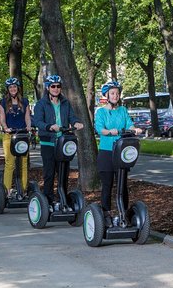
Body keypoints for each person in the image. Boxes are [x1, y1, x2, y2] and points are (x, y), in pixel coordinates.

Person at [94, 81, 142, 224]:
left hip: (121, 152)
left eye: (117, 93)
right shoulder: (101, 112)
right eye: (113, 93)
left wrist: (135, 129)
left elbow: (129, 124)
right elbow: (99, 128)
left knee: (122, 185)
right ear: (107, 95)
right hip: (106, 152)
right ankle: (106, 215)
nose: (115, 96)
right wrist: (109, 131)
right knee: (107, 185)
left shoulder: (123, 110)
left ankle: (124, 214)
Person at [33, 75, 83, 208]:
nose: (56, 89)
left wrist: (76, 122)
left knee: (63, 173)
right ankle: (48, 201)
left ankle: (62, 199)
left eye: (58, 86)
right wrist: (49, 126)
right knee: (49, 174)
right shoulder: (41, 104)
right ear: (48, 87)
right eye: (53, 86)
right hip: (48, 143)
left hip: (63, 143)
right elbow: (37, 121)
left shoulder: (65, 103)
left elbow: (71, 117)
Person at [0, 77, 33, 197]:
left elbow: (27, 117)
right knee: (10, 163)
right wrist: (5, 127)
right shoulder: (3, 102)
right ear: (8, 89)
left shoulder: (25, 101)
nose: (13, 89)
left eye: (14, 87)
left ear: (18, 88)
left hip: (22, 135)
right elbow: (2, 118)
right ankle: (6, 191)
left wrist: (29, 126)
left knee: (23, 162)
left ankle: (23, 190)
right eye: (10, 87)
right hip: (9, 135)